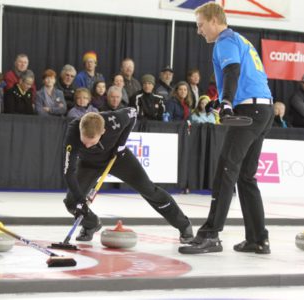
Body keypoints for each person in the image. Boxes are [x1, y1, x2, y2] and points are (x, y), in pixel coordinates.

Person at [179, 2, 274, 255]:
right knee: (245, 176)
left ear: (213, 20)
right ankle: (258, 239)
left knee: (226, 169)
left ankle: (210, 234)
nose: (199, 31)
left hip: (248, 110)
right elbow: (241, 77)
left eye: (200, 25)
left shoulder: (225, 40)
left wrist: (228, 102)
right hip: (264, 109)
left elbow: (232, 72)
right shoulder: (240, 40)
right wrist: (220, 101)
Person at [62, 107, 193, 242]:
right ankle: (91, 224)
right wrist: (80, 200)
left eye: (92, 141)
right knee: (72, 203)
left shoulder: (114, 120)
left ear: (103, 132)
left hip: (118, 159)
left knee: (149, 190)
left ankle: (184, 225)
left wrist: (121, 144)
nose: (87, 145)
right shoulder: (73, 132)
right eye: (84, 141)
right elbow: (68, 171)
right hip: (89, 164)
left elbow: (132, 113)